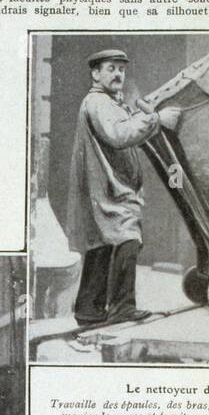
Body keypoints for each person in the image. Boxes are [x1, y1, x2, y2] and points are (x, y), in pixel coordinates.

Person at [65, 48, 181, 328]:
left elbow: (126, 127)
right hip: (109, 189)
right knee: (128, 239)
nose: (118, 74)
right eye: (111, 68)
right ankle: (122, 308)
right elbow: (120, 134)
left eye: (121, 69)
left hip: (105, 188)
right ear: (95, 73)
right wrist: (156, 119)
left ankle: (89, 309)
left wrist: (147, 118)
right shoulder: (99, 103)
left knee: (103, 244)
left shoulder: (107, 102)